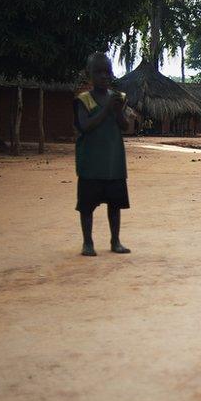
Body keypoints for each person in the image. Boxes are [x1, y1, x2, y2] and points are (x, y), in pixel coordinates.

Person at [73, 52, 132, 257]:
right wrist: (107, 109)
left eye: (107, 72)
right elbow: (85, 126)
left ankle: (115, 241)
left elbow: (125, 126)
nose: (104, 76)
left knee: (115, 205)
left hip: (113, 163)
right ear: (89, 75)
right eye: (98, 72)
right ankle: (87, 242)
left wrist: (117, 111)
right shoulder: (83, 100)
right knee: (87, 206)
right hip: (90, 164)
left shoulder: (118, 99)